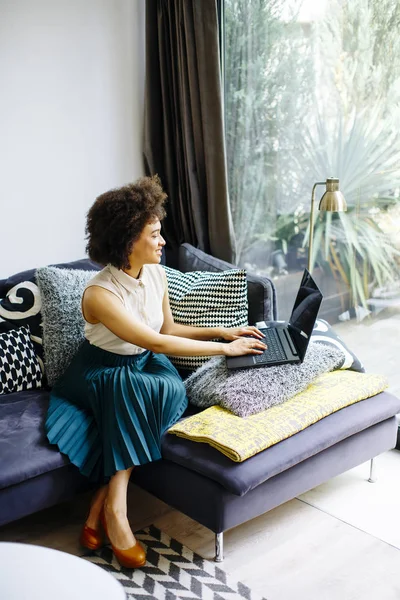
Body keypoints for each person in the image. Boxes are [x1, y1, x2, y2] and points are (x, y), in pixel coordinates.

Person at [45, 175, 267, 568]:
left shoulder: (157, 274)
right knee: (129, 392)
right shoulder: (100, 294)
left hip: (142, 363)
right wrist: (225, 348)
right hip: (101, 371)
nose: (162, 241)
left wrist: (221, 329)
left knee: (172, 392)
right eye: (154, 234)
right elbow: (157, 342)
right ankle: (117, 513)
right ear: (128, 239)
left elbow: (168, 329)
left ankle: (101, 501)